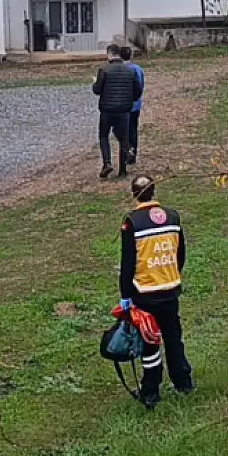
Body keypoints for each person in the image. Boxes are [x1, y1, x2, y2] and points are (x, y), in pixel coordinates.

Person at [118, 175, 193, 408]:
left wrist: (125, 296)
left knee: (150, 343)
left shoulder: (132, 221)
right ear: (154, 191)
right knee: (173, 338)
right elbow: (180, 254)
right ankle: (184, 383)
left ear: (134, 194)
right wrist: (172, 274)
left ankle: (151, 391)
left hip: (144, 292)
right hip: (170, 289)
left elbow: (128, 263)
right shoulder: (172, 217)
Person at [93, 44, 142, 179]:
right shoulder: (130, 71)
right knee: (124, 138)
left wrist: (95, 83)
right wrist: (129, 99)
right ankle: (123, 169)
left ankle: (107, 162)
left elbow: (97, 90)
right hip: (124, 110)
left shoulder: (104, 70)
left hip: (107, 109)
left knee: (104, 136)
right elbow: (137, 91)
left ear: (109, 54)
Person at [121, 45, 144, 165]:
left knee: (123, 130)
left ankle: (126, 152)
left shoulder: (120, 69)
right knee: (133, 130)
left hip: (123, 105)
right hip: (136, 105)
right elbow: (141, 85)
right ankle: (133, 153)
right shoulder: (138, 69)